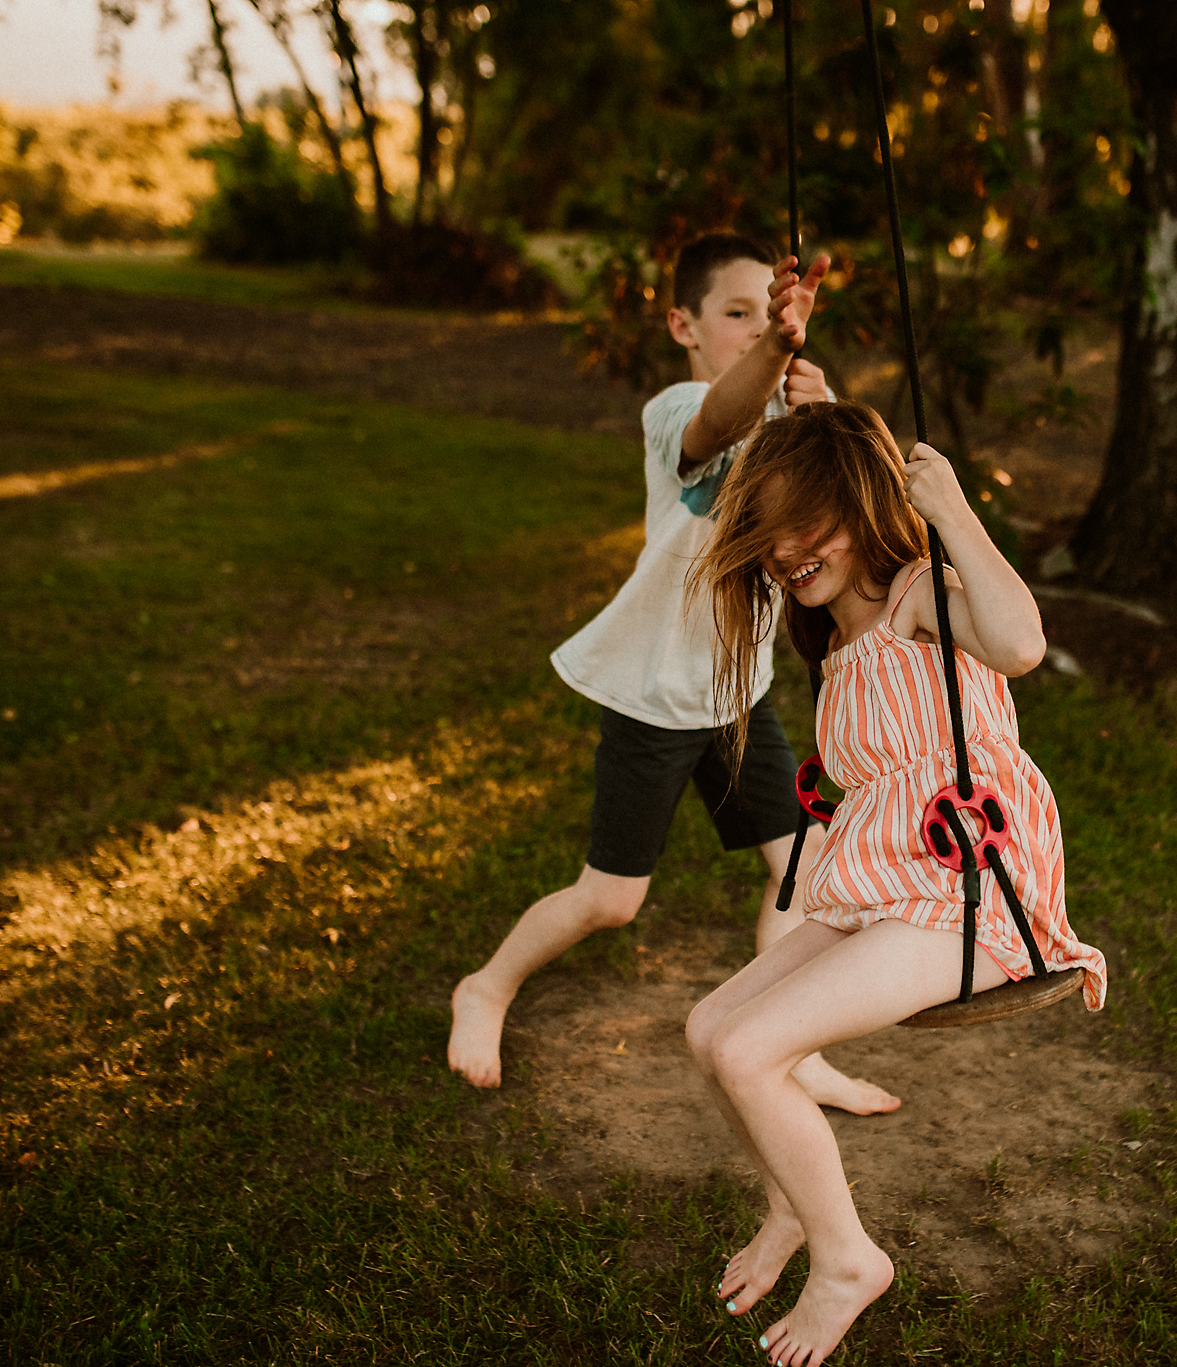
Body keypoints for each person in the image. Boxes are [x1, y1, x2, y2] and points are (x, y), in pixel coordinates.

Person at [683, 402, 1107, 1366]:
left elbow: (1021, 644)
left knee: (752, 1051)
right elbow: (830, 447)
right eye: (770, 533)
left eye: (810, 523)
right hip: (887, 881)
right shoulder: (835, 638)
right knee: (710, 1031)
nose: (788, 551)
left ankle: (848, 1258)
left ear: (865, 502)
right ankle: (791, 1208)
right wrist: (807, 405)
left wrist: (953, 512)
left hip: (971, 893)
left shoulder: (920, 590)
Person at [447, 234, 899, 1118]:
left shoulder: (786, 417)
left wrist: (825, 411)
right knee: (611, 900)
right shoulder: (677, 411)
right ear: (682, 324)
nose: (756, 333)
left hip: (738, 699)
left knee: (804, 872)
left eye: (766, 317)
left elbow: (843, 510)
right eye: (739, 315)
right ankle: (487, 986)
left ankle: (791, 1044)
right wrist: (776, 350)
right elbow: (723, 420)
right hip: (654, 700)